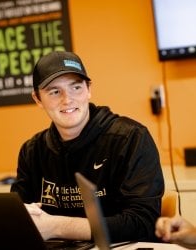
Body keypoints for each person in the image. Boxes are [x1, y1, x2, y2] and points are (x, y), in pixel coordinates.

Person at [10, 50, 164, 243]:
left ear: (88, 89)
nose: (67, 99)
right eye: (55, 91)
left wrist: (55, 226)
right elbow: (17, 217)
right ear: (37, 99)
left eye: (76, 88)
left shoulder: (130, 138)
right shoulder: (32, 151)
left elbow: (143, 223)